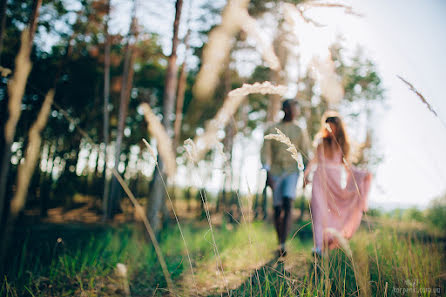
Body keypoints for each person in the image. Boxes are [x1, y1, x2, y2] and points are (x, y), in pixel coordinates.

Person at [303, 111, 372, 256]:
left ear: (338, 128)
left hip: (334, 181)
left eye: (331, 127)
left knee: (334, 212)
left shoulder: (343, 144)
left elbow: (347, 166)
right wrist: (305, 176)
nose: (329, 129)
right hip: (319, 179)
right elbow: (314, 160)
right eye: (326, 126)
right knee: (318, 211)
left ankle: (328, 240)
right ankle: (319, 247)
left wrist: (362, 175)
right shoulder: (321, 142)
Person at [261, 99, 310, 257]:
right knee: (277, 208)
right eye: (292, 109)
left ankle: (283, 244)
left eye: (297, 109)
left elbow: (305, 152)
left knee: (289, 202)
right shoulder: (271, 128)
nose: (295, 112)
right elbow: (265, 152)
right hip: (275, 171)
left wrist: (307, 175)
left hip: (292, 171)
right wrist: (268, 172)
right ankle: (279, 241)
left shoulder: (299, 130)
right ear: (285, 109)